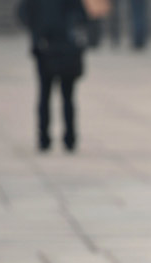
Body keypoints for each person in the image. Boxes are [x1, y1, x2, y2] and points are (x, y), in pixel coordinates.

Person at [17, 0, 89, 152]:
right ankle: (69, 138)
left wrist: (36, 31)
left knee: (45, 95)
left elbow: (23, 13)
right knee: (66, 97)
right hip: (64, 48)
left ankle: (44, 138)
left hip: (46, 47)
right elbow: (82, 16)